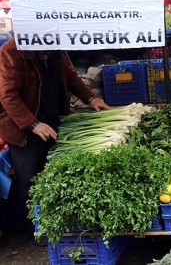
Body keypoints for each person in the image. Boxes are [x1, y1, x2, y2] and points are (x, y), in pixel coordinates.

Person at [0, 38, 110, 239]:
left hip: (53, 119)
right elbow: (7, 96)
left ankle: (56, 224)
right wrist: (33, 124)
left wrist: (91, 97)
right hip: (25, 128)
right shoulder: (11, 51)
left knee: (52, 174)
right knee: (30, 179)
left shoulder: (54, 48)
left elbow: (69, 77)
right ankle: (36, 230)